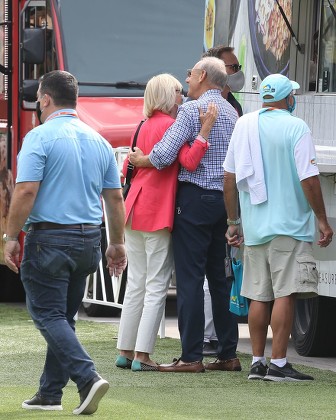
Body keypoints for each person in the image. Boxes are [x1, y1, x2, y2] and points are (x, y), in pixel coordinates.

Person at [3, 70, 127, 414]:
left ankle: (86, 377)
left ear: (44, 99)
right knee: (63, 317)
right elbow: (115, 199)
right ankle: (49, 393)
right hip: (89, 237)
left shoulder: (39, 137)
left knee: (47, 314)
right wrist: (116, 243)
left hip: (50, 238)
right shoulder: (99, 140)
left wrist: (10, 237)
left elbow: (26, 190)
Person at [129, 57, 240, 373]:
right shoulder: (233, 112)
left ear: (202, 76)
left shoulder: (191, 111)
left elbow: (164, 155)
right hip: (224, 200)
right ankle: (228, 353)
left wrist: (141, 159)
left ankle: (191, 356)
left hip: (193, 199)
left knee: (190, 278)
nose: (187, 81)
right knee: (220, 278)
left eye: (190, 75)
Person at [223, 73, 334, 382]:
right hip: (289, 226)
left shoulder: (244, 124)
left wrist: (233, 222)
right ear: (287, 99)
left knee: (259, 295)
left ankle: (257, 362)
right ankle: (279, 363)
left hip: (255, 226)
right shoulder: (296, 126)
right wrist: (322, 219)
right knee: (286, 293)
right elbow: (309, 178)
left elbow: (229, 178)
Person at [116, 73, 217, 372]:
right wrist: (205, 132)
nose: (182, 94)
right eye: (177, 90)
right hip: (157, 211)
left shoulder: (142, 125)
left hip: (133, 208)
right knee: (157, 284)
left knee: (135, 283)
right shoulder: (171, 125)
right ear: (167, 95)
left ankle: (126, 349)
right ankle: (143, 355)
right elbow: (188, 160)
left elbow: (127, 165)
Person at [201, 45, 244, 357]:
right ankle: (207, 337)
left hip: (228, 198)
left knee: (223, 270)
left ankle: (223, 339)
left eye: (237, 66)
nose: (235, 72)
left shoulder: (236, 106)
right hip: (210, 195)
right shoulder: (200, 106)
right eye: (231, 67)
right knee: (211, 271)